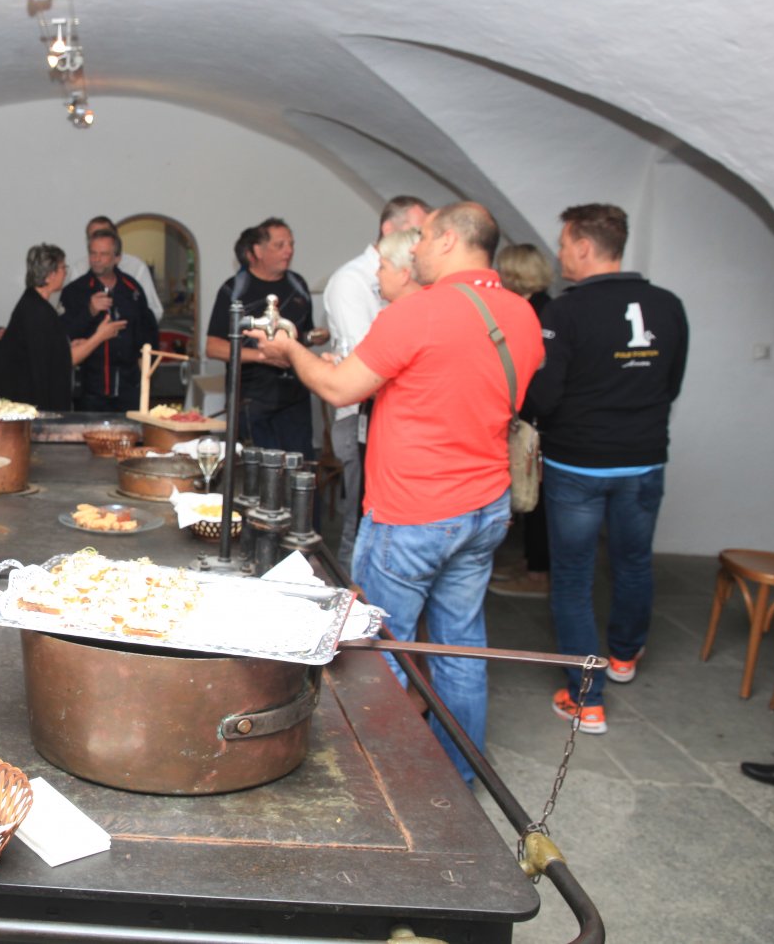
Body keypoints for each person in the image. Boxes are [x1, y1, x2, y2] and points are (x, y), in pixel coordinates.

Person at [259, 202, 543, 784]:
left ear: (449, 241)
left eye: (424, 238)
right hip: (485, 507)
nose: (413, 249)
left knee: (380, 653)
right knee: (461, 649)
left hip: (412, 512)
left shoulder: (419, 312)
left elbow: (338, 388)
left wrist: (290, 352)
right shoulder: (521, 313)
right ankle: (458, 778)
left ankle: (387, 788)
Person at [522, 204, 688, 735]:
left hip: (579, 464)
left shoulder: (565, 312)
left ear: (585, 247)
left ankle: (586, 699)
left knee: (573, 578)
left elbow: (545, 395)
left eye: (564, 244)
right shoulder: (668, 305)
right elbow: (671, 384)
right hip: (644, 458)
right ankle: (623, 657)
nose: (560, 254)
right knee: (634, 561)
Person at [321, 196, 429, 569]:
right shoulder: (352, 280)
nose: (423, 239)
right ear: (389, 229)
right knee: (361, 519)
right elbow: (364, 362)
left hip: (394, 415)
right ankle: (352, 594)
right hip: (359, 415)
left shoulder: (416, 285)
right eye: (417, 229)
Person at [205, 218, 317, 455]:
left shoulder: (298, 285)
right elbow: (213, 347)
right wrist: (262, 356)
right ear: (257, 250)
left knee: (299, 464)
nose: (289, 250)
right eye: (280, 245)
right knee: (256, 469)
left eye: (291, 244)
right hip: (251, 400)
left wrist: (315, 337)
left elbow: (304, 336)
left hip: (295, 398)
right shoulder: (234, 289)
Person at [491, 243, 556, 601]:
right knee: (531, 494)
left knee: (537, 495)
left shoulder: (539, 313)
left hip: (539, 420)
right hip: (533, 415)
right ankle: (532, 561)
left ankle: (538, 573)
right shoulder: (536, 307)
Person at [0, 244, 125, 412]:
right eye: (63, 268)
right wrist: (100, 336)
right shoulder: (38, 312)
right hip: (28, 405)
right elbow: (66, 361)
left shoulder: (34, 303)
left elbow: (51, 352)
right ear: (50, 275)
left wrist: (68, 345)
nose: (65, 272)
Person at [60, 228, 158, 411]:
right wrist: (89, 312)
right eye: (93, 253)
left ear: (117, 258)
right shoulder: (75, 291)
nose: (96, 259)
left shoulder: (133, 290)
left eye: (103, 254)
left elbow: (145, 339)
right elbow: (62, 338)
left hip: (129, 391)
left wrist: (145, 380)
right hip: (89, 392)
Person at [85, 216, 164, 320]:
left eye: (105, 234)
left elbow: (154, 310)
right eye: (94, 236)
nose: (99, 240)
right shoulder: (79, 270)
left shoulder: (136, 267)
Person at [375, 227, 423, 305]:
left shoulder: (397, 312)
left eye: (382, 267)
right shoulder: (439, 303)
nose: (377, 274)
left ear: (404, 274)